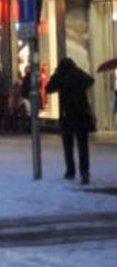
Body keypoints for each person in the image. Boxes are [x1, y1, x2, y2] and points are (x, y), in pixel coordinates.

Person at [46, 57, 95, 185]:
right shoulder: (78, 74)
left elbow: (48, 88)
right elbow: (91, 80)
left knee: (68, 145)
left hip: (66, 114)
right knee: (83, 145)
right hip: (81, 114)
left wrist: (56, 75)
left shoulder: (60, 76)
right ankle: (84, 172)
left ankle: (70, 171)